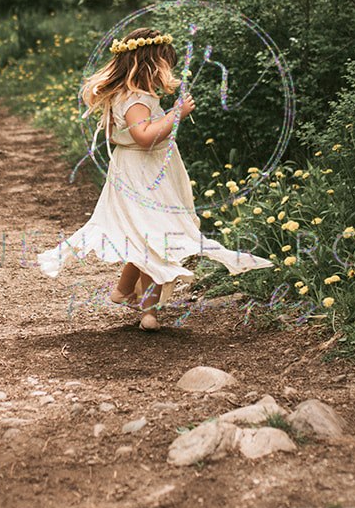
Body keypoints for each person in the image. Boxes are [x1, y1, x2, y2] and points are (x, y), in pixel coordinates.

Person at [35, 27, 273, 329]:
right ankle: (148, 312)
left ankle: (123, 291)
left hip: (141, 170)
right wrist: (176, 113)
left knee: (144, 233)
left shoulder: (130, 96)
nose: (168, 71)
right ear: (150, 66)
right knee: (153, 239)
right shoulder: (136, 101)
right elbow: (144, 137)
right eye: (165, 65)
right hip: (142, 174)